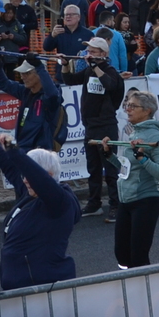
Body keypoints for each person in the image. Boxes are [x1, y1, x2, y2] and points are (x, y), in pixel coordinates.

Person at [0, 127, 80, 289]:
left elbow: (36, 175)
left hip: (43, 288)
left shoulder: (59, 202)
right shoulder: (31, 193)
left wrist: (14, 150)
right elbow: (12, 170)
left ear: (49, 176)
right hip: (20, 286)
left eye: (29, 176)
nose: (25, 180)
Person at [98, 88, 159, 268]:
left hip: (145, 200)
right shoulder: (133, 133)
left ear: (147, 111)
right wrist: (108, 155)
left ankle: (143, 291)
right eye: (127, 105)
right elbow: (127, 168)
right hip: (125, 200)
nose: (127, 109)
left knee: (138, 256)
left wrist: (143, 158)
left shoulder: (154, 136)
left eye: (132, 106)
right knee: (121, 254)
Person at [59, 37, 125, 221]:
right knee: (93, 168)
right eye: (88, 52)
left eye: (93, 52)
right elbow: (70, 79)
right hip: (90, 126)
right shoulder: (88, 71)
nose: (89, 55)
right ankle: (94, 203)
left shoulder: (111, 72)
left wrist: (96, 67)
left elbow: (110, 85)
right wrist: (65, 64)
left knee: (110, 169)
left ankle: (115, 205)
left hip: (106, 127)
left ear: (103, 54)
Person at [0, 55, 66, 152]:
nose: (22, 77)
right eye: (22, 73)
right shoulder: (25, 91)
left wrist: (39, 67)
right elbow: (2, 83)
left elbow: (52, 95)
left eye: (27, 73)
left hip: (40, 152)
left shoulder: (51, 98)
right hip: (22, 148)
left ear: (39, 74)